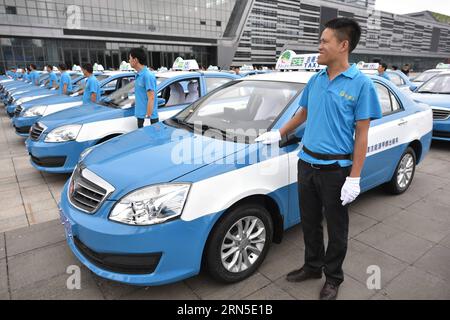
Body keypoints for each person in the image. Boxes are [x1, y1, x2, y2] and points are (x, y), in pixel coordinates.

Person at [255, 18, 382, 300]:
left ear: (343, 45)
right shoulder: (316, 79)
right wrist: (279, 134)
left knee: (337, 229)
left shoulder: (361, 85)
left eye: (325, 41)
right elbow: (302, 113)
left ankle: (333, 278)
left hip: (336, 170)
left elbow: (362, 135)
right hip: (307, 164)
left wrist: (355, 177)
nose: (319, 46)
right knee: (310, 222)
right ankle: (312, 266)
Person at [129, 47, 158, 128]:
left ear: (135, 60)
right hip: (141, 117)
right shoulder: (138, 75)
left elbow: (151, 98)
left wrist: (147, 117)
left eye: (130, 58)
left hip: (148, 119)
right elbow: (142, 95)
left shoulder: (147, 75)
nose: (129, 61)